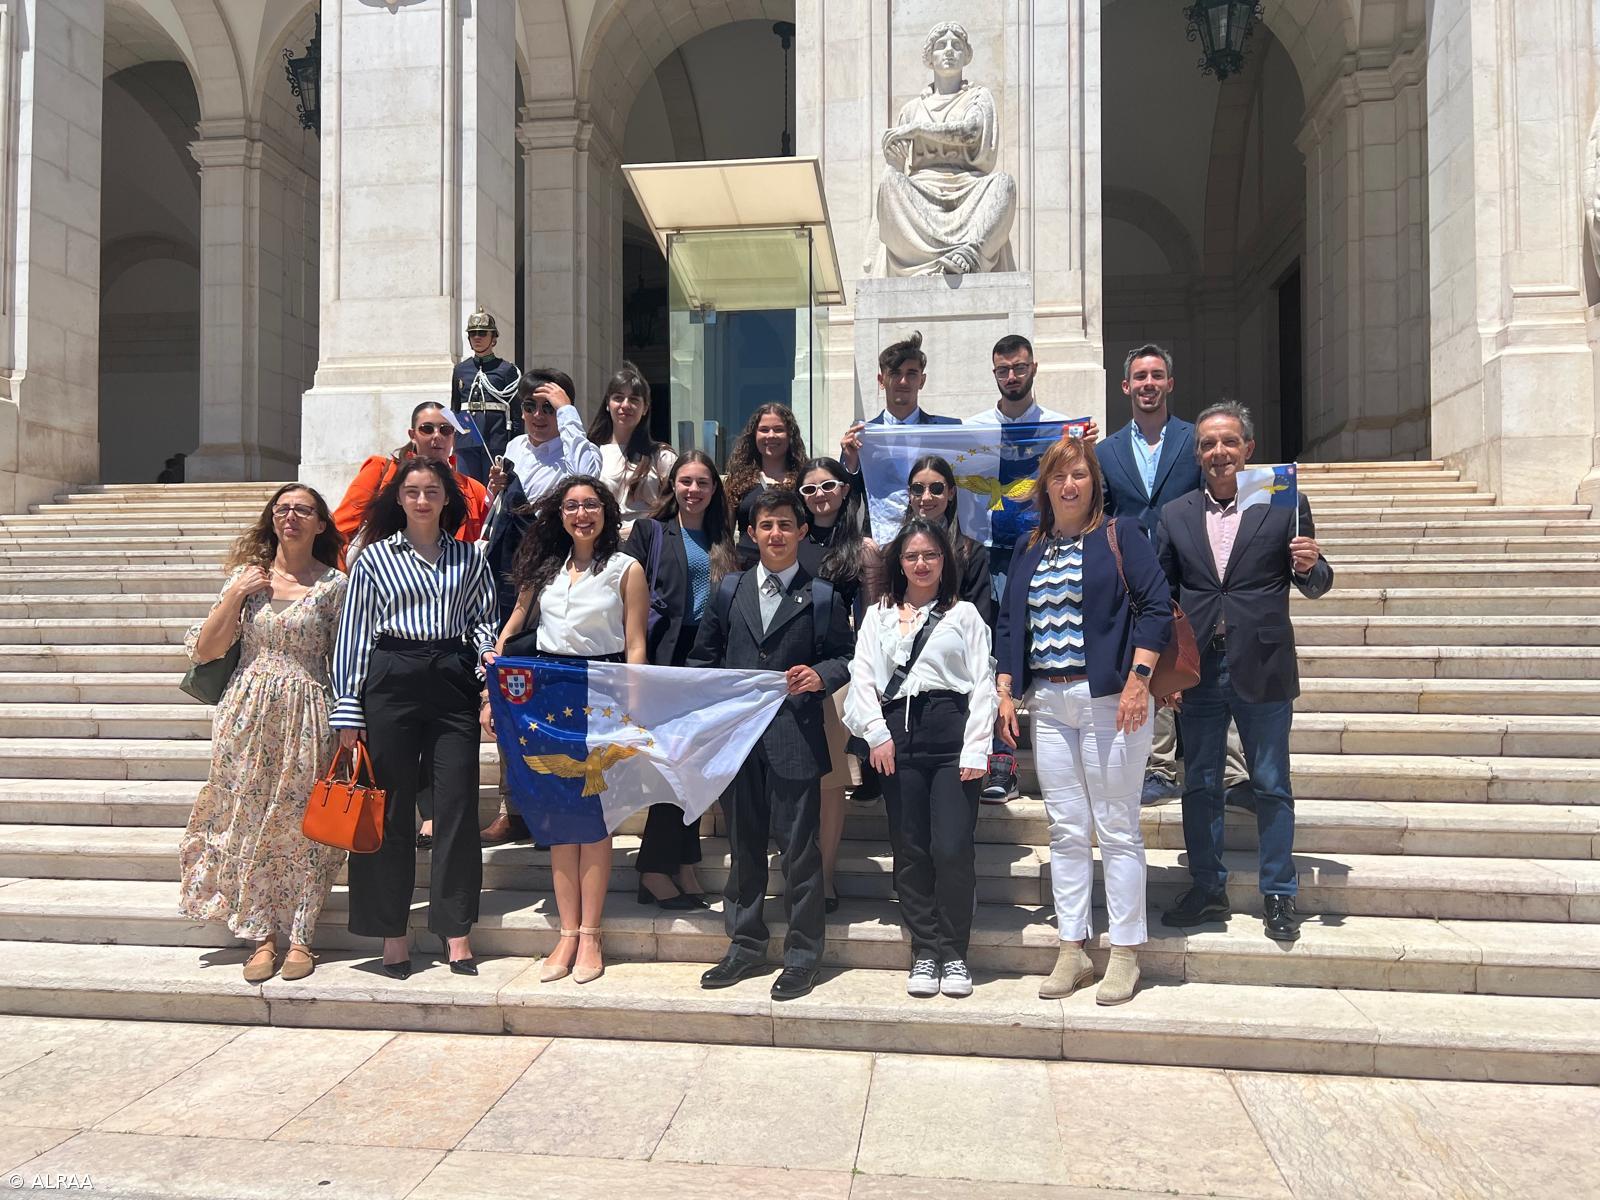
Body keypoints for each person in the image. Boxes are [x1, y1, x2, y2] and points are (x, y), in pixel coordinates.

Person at [995, 436, 1172, 1005]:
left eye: (1079, 475)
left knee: (1116, 826)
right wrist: (1006, 689)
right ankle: (1072, 947)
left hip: (1110, 702)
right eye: (1058, 476)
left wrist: (1139, 681)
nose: (1069, 486)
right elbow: (1009, 621)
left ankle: (1124, 953)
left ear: (1095, 482)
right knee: (1066, 831)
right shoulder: (1031, 546)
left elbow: (1154, 606)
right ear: (1045, 486)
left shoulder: (1120, 537)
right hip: (1049, 703)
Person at [1156, 401, 1333, 943]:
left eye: (1229, 442)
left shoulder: (1283, 504)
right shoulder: (1177, 513)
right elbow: (1161, 597)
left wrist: (1311, 564)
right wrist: (1162, 674)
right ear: (1198, 453)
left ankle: (1280, 892)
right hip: (1201, 672)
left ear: (1248, 449)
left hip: (1264, 663)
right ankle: (1208, 887)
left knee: (1272, 784)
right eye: (1208, 444)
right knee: (1201, 782)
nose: (1218, 453)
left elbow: (1317, 583)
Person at [330, 458, 499, 980]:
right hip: (392, 678)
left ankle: (455, 930)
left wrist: (482, 670)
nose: (422, 500)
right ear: (398, 499)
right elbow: (355, 634)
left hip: (450, 680)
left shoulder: (470, 558)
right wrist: (348, 709)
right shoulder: (374, 560)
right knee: (391, 810)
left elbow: (485, 620)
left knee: (455, 806)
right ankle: (393, 933)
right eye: (412, 491)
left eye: (432, 491)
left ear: (447, 498)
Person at [688, 490, 854, 1001]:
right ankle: (745, 943)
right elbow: (703, 659)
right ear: (752, 533)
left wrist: (819, 675)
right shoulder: (729, 590)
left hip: (794, 740)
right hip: (739, 743)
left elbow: (844, 657)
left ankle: (803, 956)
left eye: (785, 524)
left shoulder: (823, 595)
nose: (776, 534)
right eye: (766, 525)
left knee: (800, 853)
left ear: (802, 531)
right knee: (743, 847)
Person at [179, 485, 348, 983]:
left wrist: (347, 722)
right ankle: (260, 934)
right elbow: (206, 651)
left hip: (309, 709)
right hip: (245, 712)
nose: (291, 517)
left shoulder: (335, 585)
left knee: (303, 825)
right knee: (248, 818)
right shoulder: (245, 579)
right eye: (283, 509)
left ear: (321, 524)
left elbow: (343, 657)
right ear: (272, 519)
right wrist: (235, 594)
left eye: (303, 510)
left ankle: (300, 935)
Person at [488, 475, 649, 983]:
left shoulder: (627, 569)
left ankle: (590, 936)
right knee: (559, 819)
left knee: (595, 819)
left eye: (591, 505)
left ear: (606, 512)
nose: (582, 515)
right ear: (560, 515)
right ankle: (565, 932)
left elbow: (636, 643)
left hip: (602, 692)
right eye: (572, 506)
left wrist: (636, 711)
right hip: (548, 692)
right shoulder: (545, 569)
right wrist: (496, 659)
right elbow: (515, 620)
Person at [844, 517, 994, 998]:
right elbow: (862, 677)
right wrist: (875, 734)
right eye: (912, 556)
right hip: (897, 737)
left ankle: (954, 953)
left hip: (952, 734)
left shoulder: (965, 614)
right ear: (899, 563)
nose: (922, 564)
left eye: (931, 555)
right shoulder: (878, 615)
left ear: (944, 561)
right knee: (910, 849)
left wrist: (977, 746)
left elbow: (984, 685)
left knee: (951, 847)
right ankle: (925, 951)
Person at [1097, 344, 1250, 807]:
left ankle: (1233, 773)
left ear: (1170, 384)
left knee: (1210, 664)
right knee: (1155, 661)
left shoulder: (1196, 440)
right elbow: (1103, 511)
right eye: (1140, 376)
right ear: (1125, 386)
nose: (1148, 384)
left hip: (1195, 570)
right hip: (1133, 575)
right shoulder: (1105, 450)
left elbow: (1224, 490)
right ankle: (1159, 768)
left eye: (1156, 376)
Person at [969, 334, 1098, 802]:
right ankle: (999, 763)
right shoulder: (974, 428)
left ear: (1034, 368)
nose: (1011, 376)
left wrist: (1086, 450)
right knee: (996, 656)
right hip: (987, 552)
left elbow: (1082, 486)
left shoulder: (1062, 431)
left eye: (1019, 367)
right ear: (994, 372)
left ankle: (1062, 755)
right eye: (1003, 370)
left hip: (1046, 547)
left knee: (1036, 647)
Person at [481, 367, 602, 847]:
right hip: (512, 582)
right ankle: (514, 806)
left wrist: (568, 414)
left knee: (554, 697)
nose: (536, 416)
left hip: (562, 581)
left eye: (547, 407)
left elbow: (589, 477)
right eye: (530, 406)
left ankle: (555, 805)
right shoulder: (512, 450)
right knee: (510, 690)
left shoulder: (576, 450)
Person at [622, 451, 738, 909]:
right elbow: (626, 593)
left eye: (703, 483)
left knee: (692, 768)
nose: (694, 490)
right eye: (686, 481)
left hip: (709, 660)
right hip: (665, 659)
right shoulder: (650, 532)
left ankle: (684, 862)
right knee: (672, 767)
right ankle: (653, 869)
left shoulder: (722, 537)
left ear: (715, 489)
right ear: (673, 486)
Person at [797, 457, 883, 910]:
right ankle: (799, 870)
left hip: (838, 674)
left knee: (830, 783)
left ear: (845, 490)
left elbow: (871, 622)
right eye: (809, 490)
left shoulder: (864, 549)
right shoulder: (790, 540)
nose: (819, 496)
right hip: (789, 672)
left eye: (827, 485)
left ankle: (824, 877)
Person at [331, 402, 496, 558]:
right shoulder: (380, 470)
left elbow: (485, 544)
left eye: (445, 429)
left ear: (453, 436)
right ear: (412, 435)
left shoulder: (474, 489)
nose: (437, 435)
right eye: (427, 429)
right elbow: (340, 531)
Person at [838, 331, 961, 476]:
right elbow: (847, 493)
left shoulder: (949, 431)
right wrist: (851, 466)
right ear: (881, 381)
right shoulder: (862, 438)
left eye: (911, 374)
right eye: (895, 373)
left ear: (922, 381)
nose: (903, 381)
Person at [903, 454, 993, 621]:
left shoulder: (971, 551)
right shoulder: (893, 550)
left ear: (951, 493)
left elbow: (981, 619)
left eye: (936, 488)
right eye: (918, 489)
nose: (926, 497)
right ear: (909, 494)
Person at [589, 361, 676, 525]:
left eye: (634, 399)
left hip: (649, 544)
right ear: (608, 404)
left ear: (645, 408)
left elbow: (677, 506)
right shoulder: (592, 453)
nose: (625, 405)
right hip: (604, 544)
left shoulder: (662, 456)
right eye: (618, 398)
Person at [724, 403, 809, 568]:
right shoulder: (737, 481)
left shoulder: (804, 480)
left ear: (790, 435)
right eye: (764, 430)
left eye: (778, 429)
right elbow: (726, 534)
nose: (771, 435)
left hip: (793, 569)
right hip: (746, 568)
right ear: (754, 435)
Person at [451, 308, 522, 483]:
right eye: (473, 333)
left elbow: (515, 412)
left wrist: (515, 444)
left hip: (495, 438)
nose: (477, 337)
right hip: (467, 438)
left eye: (482, 333)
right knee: (468, 490)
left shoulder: (506, 370)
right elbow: (456, 407)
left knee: (493, 490)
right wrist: (457, 440)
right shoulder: (461, 369)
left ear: (494, 338)